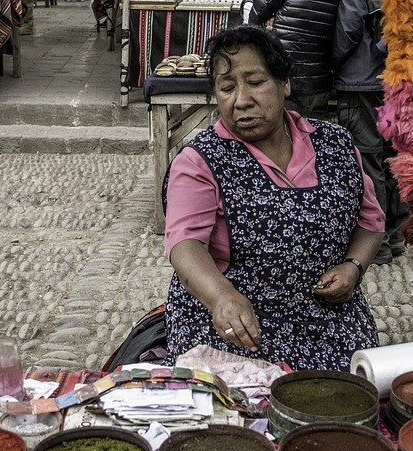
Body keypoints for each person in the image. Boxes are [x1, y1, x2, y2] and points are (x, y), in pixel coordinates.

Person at [162, 25, 386, 372]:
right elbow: (184, 244)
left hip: (330, 324)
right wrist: (221, 297)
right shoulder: (200, 160)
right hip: (238, 327)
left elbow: (371, 222)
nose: (241, 100)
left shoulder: (335, 143)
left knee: (346, 401)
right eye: (226, 88)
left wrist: (353, 267)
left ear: (285, 83)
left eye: (255, 82)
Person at [333, 0, 408, 264]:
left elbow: (348, 30)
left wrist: (333, 61)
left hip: (362, 81)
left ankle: (377, 245)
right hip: (396, 79)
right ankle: (395, 236)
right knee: (391, 157)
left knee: (368, 161)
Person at [248, 0, 339, 117]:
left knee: (283, 131)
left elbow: (255, 17)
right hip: (320, 85)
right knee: (314, 132)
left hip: (287, 82)